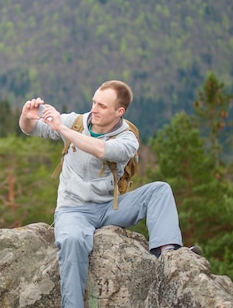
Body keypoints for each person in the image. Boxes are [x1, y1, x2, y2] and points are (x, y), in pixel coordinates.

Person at [18, 80, 200, 307]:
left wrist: (61, 129)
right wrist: (27, 115)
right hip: (73, 210)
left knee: (159, 190)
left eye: (102, 106)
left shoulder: (127, 138)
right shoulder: (74, 122)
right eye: (94, 102)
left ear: (119, 111)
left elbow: (101, 150)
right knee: (73, 240)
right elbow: (29, 128)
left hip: (110, 208)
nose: (94, 109)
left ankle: (168, 255)